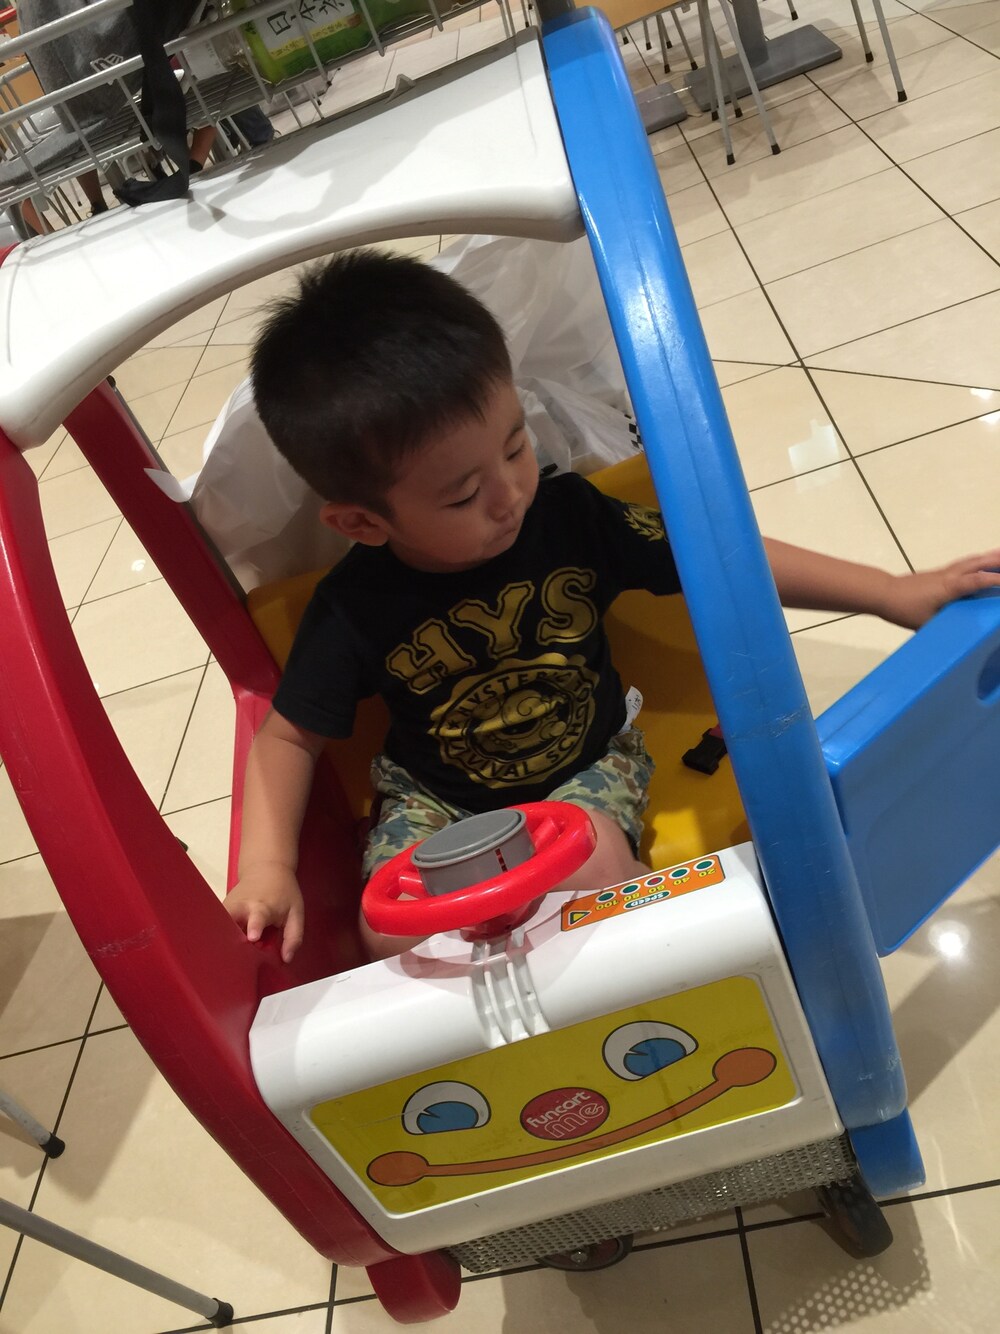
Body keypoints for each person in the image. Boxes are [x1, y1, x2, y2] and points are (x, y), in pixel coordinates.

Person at [224, 249, 1000, 964]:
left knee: (594, 868)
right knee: (390, 932)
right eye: (463, 494)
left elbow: (721, 563)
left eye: (516, 446)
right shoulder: (352, 606)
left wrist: (891, 592)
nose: (510, 494)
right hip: (438, 801)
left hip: (586, 768)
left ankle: (641, 1012)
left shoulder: (571, 518)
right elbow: (288, 737)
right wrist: (266, 867)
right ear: (363, 523)